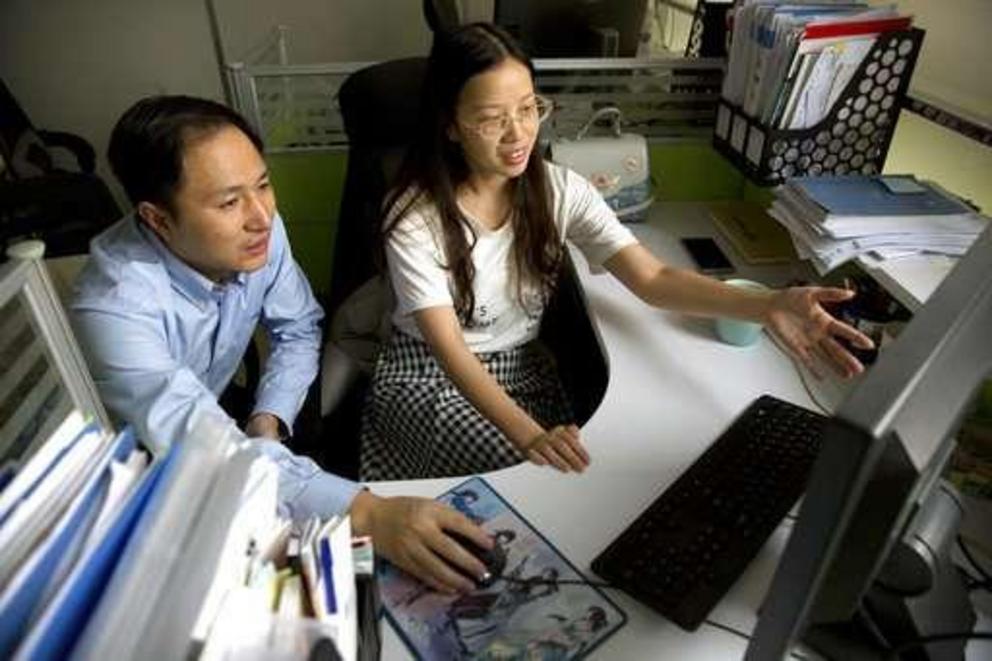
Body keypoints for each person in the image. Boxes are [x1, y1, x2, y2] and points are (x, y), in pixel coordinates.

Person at [359, 22, 874, 480]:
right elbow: (449, 349)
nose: (518, 134)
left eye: (528, 108)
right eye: (493, 119)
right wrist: (528, 435)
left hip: (519, 367)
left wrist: (767, 304)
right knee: (539, 472)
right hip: (430, 374)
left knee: (596, 462)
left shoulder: (559, 190)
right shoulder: (413, 215)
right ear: (450, 125)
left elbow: (651, 279)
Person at [70, 95, 492, 594]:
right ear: (158, 219)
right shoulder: (113, 307)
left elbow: (297, 327)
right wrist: (368, 513)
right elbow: (197, 445)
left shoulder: (258, 229)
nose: (261, 216)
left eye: (263, 185)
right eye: (229, 202)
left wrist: (267, 418)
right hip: (135, 472)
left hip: (217, 423)